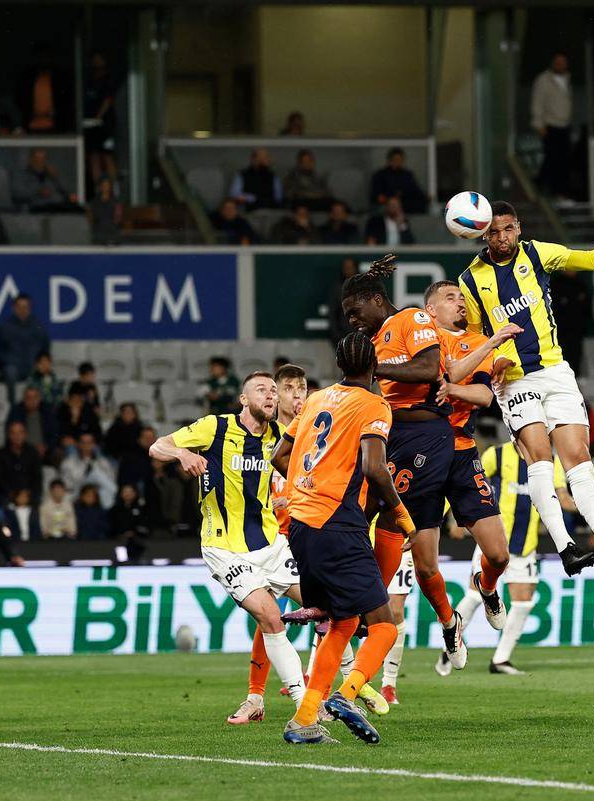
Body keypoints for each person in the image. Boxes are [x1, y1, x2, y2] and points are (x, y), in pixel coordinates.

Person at [456, 197, 594, 578]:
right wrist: (493, 361)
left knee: (578, 456)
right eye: (494, 232)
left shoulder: (538, 254)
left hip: (555, 371)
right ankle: (566, 547)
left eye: (509, 229)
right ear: (484, 234)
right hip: (515, 379)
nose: (502, 237)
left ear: (519, 228)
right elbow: (473, 338)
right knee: (540, 457)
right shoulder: (470, 279)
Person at [342, 259, 492, 669]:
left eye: (355, 311)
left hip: (427, 436)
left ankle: (366, 603)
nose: (353, 320)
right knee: (424, 564)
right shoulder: (372, 341)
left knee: (386, 517)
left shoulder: (411, 318)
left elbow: (428, 369)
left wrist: (374, 367)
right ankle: (449, 621)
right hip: (393, 437)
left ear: (376, 300)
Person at [269, 333, 414, 745]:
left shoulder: (316, 400)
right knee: (384, 626)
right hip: (337, 524)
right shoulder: (374, 405)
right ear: (375, 366)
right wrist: (403, 517)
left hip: (300, 524)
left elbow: (279, 456)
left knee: (344, 622)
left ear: (338, 364)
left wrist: (308, 485)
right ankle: (347, 696)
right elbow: (375, 467)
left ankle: (303, 720)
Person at [152, 373, 309, 724]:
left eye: (273, 391)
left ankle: (342, 691)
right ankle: (306, 707)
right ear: (243, 399)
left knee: (328, 606)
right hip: (224, 547)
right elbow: (157, 446)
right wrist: (181, 453)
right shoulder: (215, 427)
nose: (270, 395)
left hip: (271, 544)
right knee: (271, 616)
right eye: (261, 390)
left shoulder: (279, 436)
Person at [421, 281, 519, 669]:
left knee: (498, 554)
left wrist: (451, 390)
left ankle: (486, 586)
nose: (460, 303)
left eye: (462, 298)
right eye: (451, 298)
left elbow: (484, 396)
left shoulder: (475, 343)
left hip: (462, 452)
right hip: (421, 454)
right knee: (425, 564)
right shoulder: (421, 339)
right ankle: (450, 623)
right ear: (430, 310)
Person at [448, 440, 571, 676]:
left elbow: (562, 497)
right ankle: (451, 643)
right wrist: (456, 520)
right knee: (474, 596)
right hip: (494, 542)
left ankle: (501, 660)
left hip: (525, 546)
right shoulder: (496, 454)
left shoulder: (550, 461)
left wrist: (592, 509)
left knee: (523, 603)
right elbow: (466, 482)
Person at [529, 53, 574, 197]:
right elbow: (537, 102)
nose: (560, 65)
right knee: (551, 159)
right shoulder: (543, 80)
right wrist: (539, 124)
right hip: (550, 125)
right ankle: (544, 189)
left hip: (564, 126)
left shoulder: (567, 79)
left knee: (563, 161)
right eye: (558, 62)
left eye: (563, 62)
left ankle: (560, 192)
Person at [0, 295, 51, 386]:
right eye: (19, 307)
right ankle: (12, 396)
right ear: (14, 308)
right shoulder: (4, 327)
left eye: (25, 307)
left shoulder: (38, 326)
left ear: (30, 308)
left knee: (43, 373)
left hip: (34, 366)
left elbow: (45, 347)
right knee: (10, 372)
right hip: (12, 366)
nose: (22, 310)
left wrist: (40, 362)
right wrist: (8, 361)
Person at [82, 51, 118, 187]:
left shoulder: (108, 80)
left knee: (107, 156)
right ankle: (98, 190)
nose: (96, 62)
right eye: (94, 59)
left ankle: (113, 190)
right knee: (93, 157)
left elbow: (108, 100)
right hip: (90, 125)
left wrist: (98, 118)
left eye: (99, 59)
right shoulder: (89, 80)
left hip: (104, 125)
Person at [549, 268, 591, 375]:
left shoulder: (581, 284)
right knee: (562, 355)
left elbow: (586, 307)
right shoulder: (556, 284)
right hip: (561, 329)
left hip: (577, 328)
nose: (571, 271)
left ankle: (576, 377)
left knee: (576, 354)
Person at [59, 432, 117, 509]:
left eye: (89, 443)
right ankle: (117, 492)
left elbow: (111, 479)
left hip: (97, 491)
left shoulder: (102, 461)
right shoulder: (68, 462)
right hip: (77, 491)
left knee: (105, 491)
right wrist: (86, 474)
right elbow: (66, 484)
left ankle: (107, 514)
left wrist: (95, 488)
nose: (86, 446)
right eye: (83, 443)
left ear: (94, 445)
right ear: (78, 444)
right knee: (96, 473)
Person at [369, 148, 426, 214]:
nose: (398, 162)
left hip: (406, 205)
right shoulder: (380, 175)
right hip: (386, 205)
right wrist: (390, 200)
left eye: (400, 160)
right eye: (395, 159)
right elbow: (377, 196)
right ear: (389, 160)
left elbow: (416, 190)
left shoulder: (407, 175)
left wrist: (425, 197)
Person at [89, 177, 122, 245]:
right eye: (103, 185)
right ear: (100, 187)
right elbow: (91, 217)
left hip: (112, 233)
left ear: (110, 187)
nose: (105, 188)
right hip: (98, 234)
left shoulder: (115, 202)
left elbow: (118, 218)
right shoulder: (95, 202)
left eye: (107, 185)